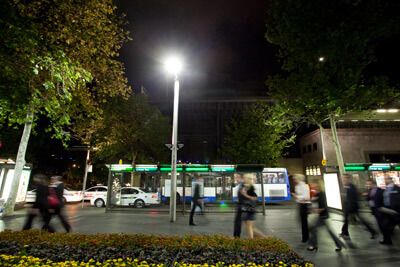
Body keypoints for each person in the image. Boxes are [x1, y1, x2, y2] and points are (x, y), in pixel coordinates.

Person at [307, 181, 346, 252]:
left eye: (314, 184)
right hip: (323, 215)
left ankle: (313, 245)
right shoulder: (318, 193)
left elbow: (323, 206)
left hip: (323, 215)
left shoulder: (321, 194)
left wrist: (314, 211)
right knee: (328, 231)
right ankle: (339, 244)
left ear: (318, 185)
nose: (313, 186)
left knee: (313, 228)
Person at [339, 174, 377, 240]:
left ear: (347, 178)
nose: (343, 179)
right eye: (342, 178)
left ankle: (372, 231)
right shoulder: (346, 186)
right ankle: (345, 232)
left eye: (344, 178)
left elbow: (354, 196)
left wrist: (352, 205)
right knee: (345, 220)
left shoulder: (351, 186)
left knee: (359, 219)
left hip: (352, 206)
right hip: (348, 206)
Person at [241, 175, 266, 239]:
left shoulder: (251, 187)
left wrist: (245, 195)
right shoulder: (246, 187)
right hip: (248, 209)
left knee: (249, 226)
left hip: (250, 210)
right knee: (248, 226)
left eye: (245, 178)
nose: (244, 179)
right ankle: (262, 236)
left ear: (248, 179)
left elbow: (254, 198)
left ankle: (251, 240)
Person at [377, 175, 400, 245]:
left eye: (386, 179)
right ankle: (387, 240)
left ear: (391, 180)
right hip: (387, 211)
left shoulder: (397, 188)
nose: (385, 181)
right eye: (384, 179)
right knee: (384, 226)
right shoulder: (385, 189)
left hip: (396, 211)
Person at [292, 174, 310, 243]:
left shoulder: (304, 186)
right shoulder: (297, 186)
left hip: (304, 205)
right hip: (301, 204)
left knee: (304, 221)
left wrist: (297, 197)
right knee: (302, 221)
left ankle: (305, 237)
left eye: (295, 179)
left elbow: (306, 196)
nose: (294, 180)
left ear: (299, 179)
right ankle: (305, 236)